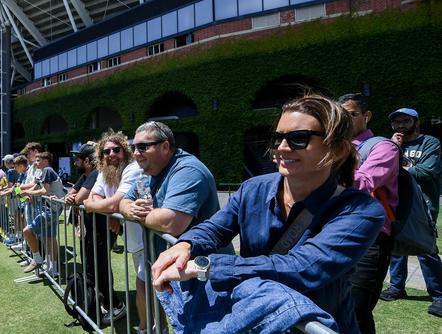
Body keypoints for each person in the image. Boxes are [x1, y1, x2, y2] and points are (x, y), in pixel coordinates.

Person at [150, 95, 385, 333]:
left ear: (337, 149)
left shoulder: (361, 211)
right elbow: (216, 228)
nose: (282, 147)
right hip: (255, 321)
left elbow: (304, 267)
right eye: (277, 138)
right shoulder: (254, 188)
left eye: (299, 139)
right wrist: (187, 244)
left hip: (316, 325)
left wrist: (207, 267)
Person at [120, 121, 223, 333]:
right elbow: (122, 201)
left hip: (198, 273)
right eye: (134, 147)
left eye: (143, 146)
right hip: (170, 268)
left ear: (165, 146)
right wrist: (129, 209)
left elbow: (171, 222)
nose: (136, 153)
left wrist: (137, 216)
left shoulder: (188, 170)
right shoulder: (147, 173)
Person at [338, 93, 401, 333]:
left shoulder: (384, 147)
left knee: (357, 308)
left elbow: (364, 181)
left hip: (371, 237)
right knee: (331, 303)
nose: (344, 120)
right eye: (339, 115)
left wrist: (317, 169)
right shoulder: (334, 146)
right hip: (335, 231)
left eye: (350, 114)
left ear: (366, 116)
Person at [379, 107, 442, 318]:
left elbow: (427, 170)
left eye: (405, 121)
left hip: (423, 204)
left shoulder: (430, 143)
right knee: (396, 245)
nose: (400, 126)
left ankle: (439, 295)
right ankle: (397, 287)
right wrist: (393, 147)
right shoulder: (392, 145)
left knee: (425, 248)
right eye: (396, 123)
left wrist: (397, 170)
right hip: (397, 203)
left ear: (416, 122)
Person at [84, 132, 142, 325]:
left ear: (125, 151)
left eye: (116, 149)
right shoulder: (104, 171)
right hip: (123, 226)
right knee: (97, 261)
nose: (111, 154)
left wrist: (101, 207)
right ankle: (115, 304)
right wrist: (111, 212)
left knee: (148, 276)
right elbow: (94, 194)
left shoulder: (133, 168)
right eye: (106, 151)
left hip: (143, 230)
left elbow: (103, 202)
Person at [21, 151, 66, 275]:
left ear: (46, 161)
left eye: (38, 160)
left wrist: (28, 193)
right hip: (52, 208)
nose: (36, 163)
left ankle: (37, 260)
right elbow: (35, 186)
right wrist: (24, 191)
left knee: (27, 231)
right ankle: (53, 268)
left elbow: (44, 190)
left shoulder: (47, 170)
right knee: (49, 238)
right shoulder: (43, 171)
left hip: (51, 209)